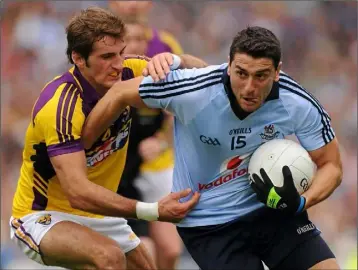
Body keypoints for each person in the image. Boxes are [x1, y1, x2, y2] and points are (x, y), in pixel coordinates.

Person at [82, 26, 343, 270]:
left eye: (261, 76)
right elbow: (119, 93)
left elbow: (331, 165)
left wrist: (300, 203)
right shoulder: (195, 90)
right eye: (241, 73)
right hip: (209, 224)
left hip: (273, 212)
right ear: (228, 67)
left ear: (277, 72)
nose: (250, 87)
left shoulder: (297, 101)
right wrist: (80, 148)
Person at [9, 7, 204, 269]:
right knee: (109, 257)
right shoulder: (60, 106)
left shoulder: (128, 71)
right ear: (78, 58)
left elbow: (204, 79)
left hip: (97, 213)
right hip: (44, 215)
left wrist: (177, 61)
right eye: (107, 56)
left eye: (121, 53)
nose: (118, 64)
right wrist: (152, 210)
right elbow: (78, 192)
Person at [119, 16, 183, 270]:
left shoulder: (158, 73)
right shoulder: (108, 80)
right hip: (118, 179)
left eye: (140, 39)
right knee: (144, 252)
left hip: (150, 171)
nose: (135, 45)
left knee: (170, 250)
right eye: (128, 40)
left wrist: (161, 142)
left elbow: (178, 114)